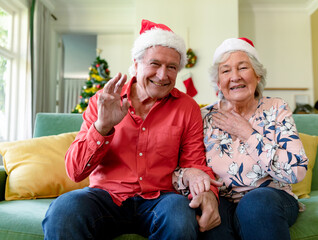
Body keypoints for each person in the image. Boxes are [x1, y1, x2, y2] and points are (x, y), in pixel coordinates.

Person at [42, 19, 221, 240]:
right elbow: (75, 171)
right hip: (106, 197)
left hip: (161, 199)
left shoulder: (187, 107)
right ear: (136, 64)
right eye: (155, 64)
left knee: (179, 215)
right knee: (64, 211)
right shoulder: (104, 101)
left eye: (172, 67)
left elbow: (194, 163)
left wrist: (209, 193)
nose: (163, 75)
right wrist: (103, 126)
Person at [173, 37, 308, 240]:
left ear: (258, 75)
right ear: (218, 82)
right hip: (222, 200)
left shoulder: (276, 108)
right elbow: (179, 171)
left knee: (256, 204)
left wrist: (248, 134)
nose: (235, 77)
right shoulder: (203, 117)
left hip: (271, 198)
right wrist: (195, 181)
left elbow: (297, 170)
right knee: (213, 222)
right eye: (226, 71)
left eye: (243, 68)